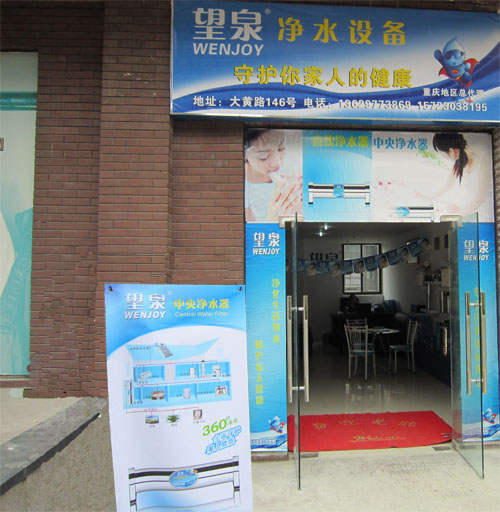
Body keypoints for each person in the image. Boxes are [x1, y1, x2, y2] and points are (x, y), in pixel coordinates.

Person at [425, 133, 490, 217]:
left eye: (443, 155)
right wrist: (428, 197)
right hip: (468, 211)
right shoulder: (458, 163)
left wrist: (459, 213)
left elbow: (481, 198)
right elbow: (447, 186)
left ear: (451, 151)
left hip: (482, 214)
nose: (446, 158)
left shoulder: (483, 158)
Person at [245, 129, 302, 222]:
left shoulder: (291, 165)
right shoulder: (242, 190)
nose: (277, 163)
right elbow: (250, 229)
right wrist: (271, 220)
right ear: (244, 155)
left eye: (281, 149)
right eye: (263, 157)